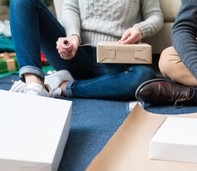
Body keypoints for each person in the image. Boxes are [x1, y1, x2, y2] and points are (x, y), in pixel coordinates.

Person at [9, 0, 163, 100]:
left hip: (117, 61)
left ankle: (64, 87)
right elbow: (70, 8)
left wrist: (139, 29)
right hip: (77, 55)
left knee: (145, 76)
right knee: (23, 2)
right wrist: (73, 37)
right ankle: (34, 85)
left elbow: (155, 16)